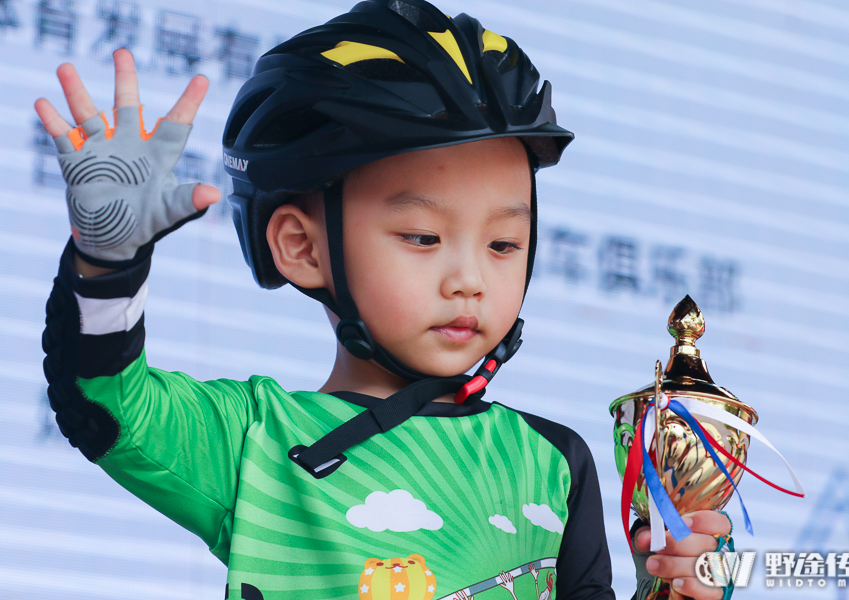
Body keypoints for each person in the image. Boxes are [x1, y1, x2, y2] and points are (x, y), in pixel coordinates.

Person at [36, 1, 731, 598]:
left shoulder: (552, 457)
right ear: (301, 247)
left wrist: (672, 581)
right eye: (424, 237)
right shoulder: (253, 440)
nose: (470, 279)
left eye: (502, 244)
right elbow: (107, 405)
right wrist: (108, 259)